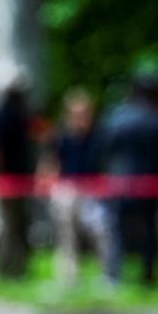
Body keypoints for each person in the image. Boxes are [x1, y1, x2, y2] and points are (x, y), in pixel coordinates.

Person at [100, 72, 158, 285]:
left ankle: (113, 276)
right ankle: (149, 275)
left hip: (121, 183)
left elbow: (105, 148)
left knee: (116, 230)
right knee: (150, 231)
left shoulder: (118, 117)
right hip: (152, 184)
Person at [42, 88, 113, 288]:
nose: (80, 117)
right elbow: (50, 162)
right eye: (75, 113)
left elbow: (106, 164)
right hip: (67, 188)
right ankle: (69, 277)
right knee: (66, 233)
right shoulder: (59, 135)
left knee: (102, 231)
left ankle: (107, 275)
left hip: (93, 189)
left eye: (84, 113)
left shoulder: (100, 136)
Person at [0, 61, 35, 280]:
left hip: (15, 177)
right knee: (12, 223)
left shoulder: (12, 114)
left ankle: (11, 265)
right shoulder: (8, 115)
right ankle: (8, 266)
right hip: (10, 178)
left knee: (13, 222)